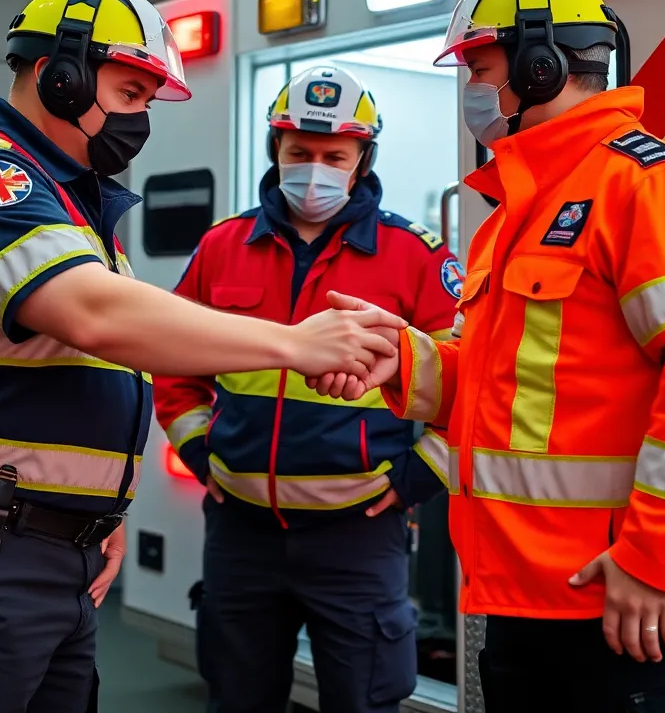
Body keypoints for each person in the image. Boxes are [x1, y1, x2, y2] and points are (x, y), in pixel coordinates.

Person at [0, 0, 402, 713]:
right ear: (62, 73)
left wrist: (96, 517)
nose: (140, 119)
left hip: (46, 545)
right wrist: (296, 346)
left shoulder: (71, 205)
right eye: (131, 93)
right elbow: (93, 316)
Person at [310, 0, 665, 713]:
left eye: (479, 68)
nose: (472, 91)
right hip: (535, 602)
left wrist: (654, 560)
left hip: (638, 611)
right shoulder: (519, 210)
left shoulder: (650, 186)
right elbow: (515, 395)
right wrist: (405, 360)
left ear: (540, 63)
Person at [154, 64, 463, 713]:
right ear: (276, 150)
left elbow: (473, 379)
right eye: (299, 152)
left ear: (361, 159)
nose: (314, 169)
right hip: (240, 532)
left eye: (333, 155)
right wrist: (200, 453)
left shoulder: (415, 254)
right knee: (237, 700)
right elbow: (174, 366)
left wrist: (418, 478)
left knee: (364, 700)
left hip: (357, 534)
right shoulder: (223, 245)